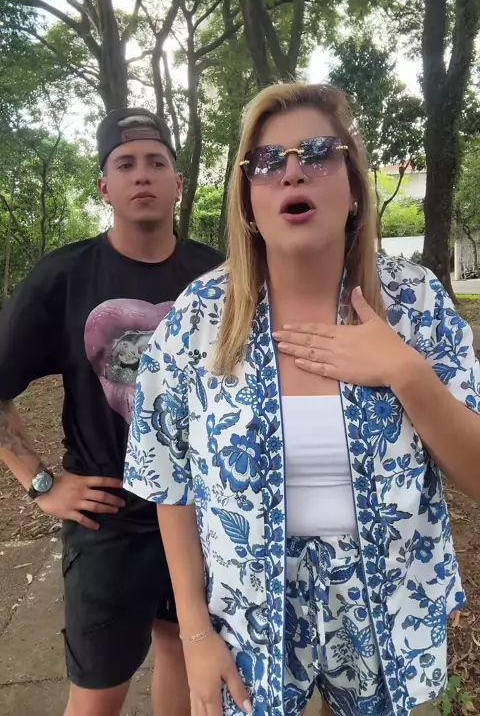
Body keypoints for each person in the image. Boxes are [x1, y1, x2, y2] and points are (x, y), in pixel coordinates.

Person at [124, 83, 480, 716]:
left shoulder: (415, 304)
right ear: (247, 200)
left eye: (317, 153)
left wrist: (405, 371)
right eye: (267, 161)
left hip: (390, 616)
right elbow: (168, 479)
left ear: (354, 187)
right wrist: (195, 632)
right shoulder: (199, 319)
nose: (292, 171)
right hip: (248, 625)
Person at [0, 107, 223, 716]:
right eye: (125, 164)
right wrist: (41, 483)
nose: (142, 174)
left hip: (202, 513)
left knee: (184, 651)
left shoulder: (217, 278)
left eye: (156, 162)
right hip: (109, 522)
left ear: (179, 183)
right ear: (104, 186)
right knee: (98, 692)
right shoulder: (63, 277)